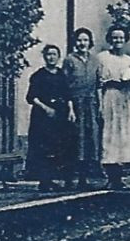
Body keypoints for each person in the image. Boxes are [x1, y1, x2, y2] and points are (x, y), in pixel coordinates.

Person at [24, 44, 75, 192]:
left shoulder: (61, 74)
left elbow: (68, 94)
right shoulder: (38, 75)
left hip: (60, 115)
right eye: (49, 54)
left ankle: (60, 179)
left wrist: (71, 111)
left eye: (54, 54)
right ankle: (45, 181)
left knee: (60, 147)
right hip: (43, 117)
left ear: (58, 57)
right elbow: (31, 97)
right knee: (44, 148)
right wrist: (46, 108)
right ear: (44, 57)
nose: (51, 57)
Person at [97, 27, 130, 188]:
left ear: (125, 40)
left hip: (126, 98)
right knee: (109, 135)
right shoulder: (102, 58)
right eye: (115, 38)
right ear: (110, 39)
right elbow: (98, 82)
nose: (118, 41)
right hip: (110, 96)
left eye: (121, 38)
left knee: (124, 135)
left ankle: (120, 176)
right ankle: (111, 176)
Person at [63, 28, 102, 189]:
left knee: (89, 140)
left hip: (91, 103)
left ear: (90, 42)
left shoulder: (95, 60)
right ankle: (70, 178)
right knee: (74, 140)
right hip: (75, 104)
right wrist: (70, 108)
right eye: (79, 40)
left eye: (85, 40)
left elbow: (99, 83)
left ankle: (84, 178)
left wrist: (99, 106)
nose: (82, 43)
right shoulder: (69, 60)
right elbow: (65, 86)